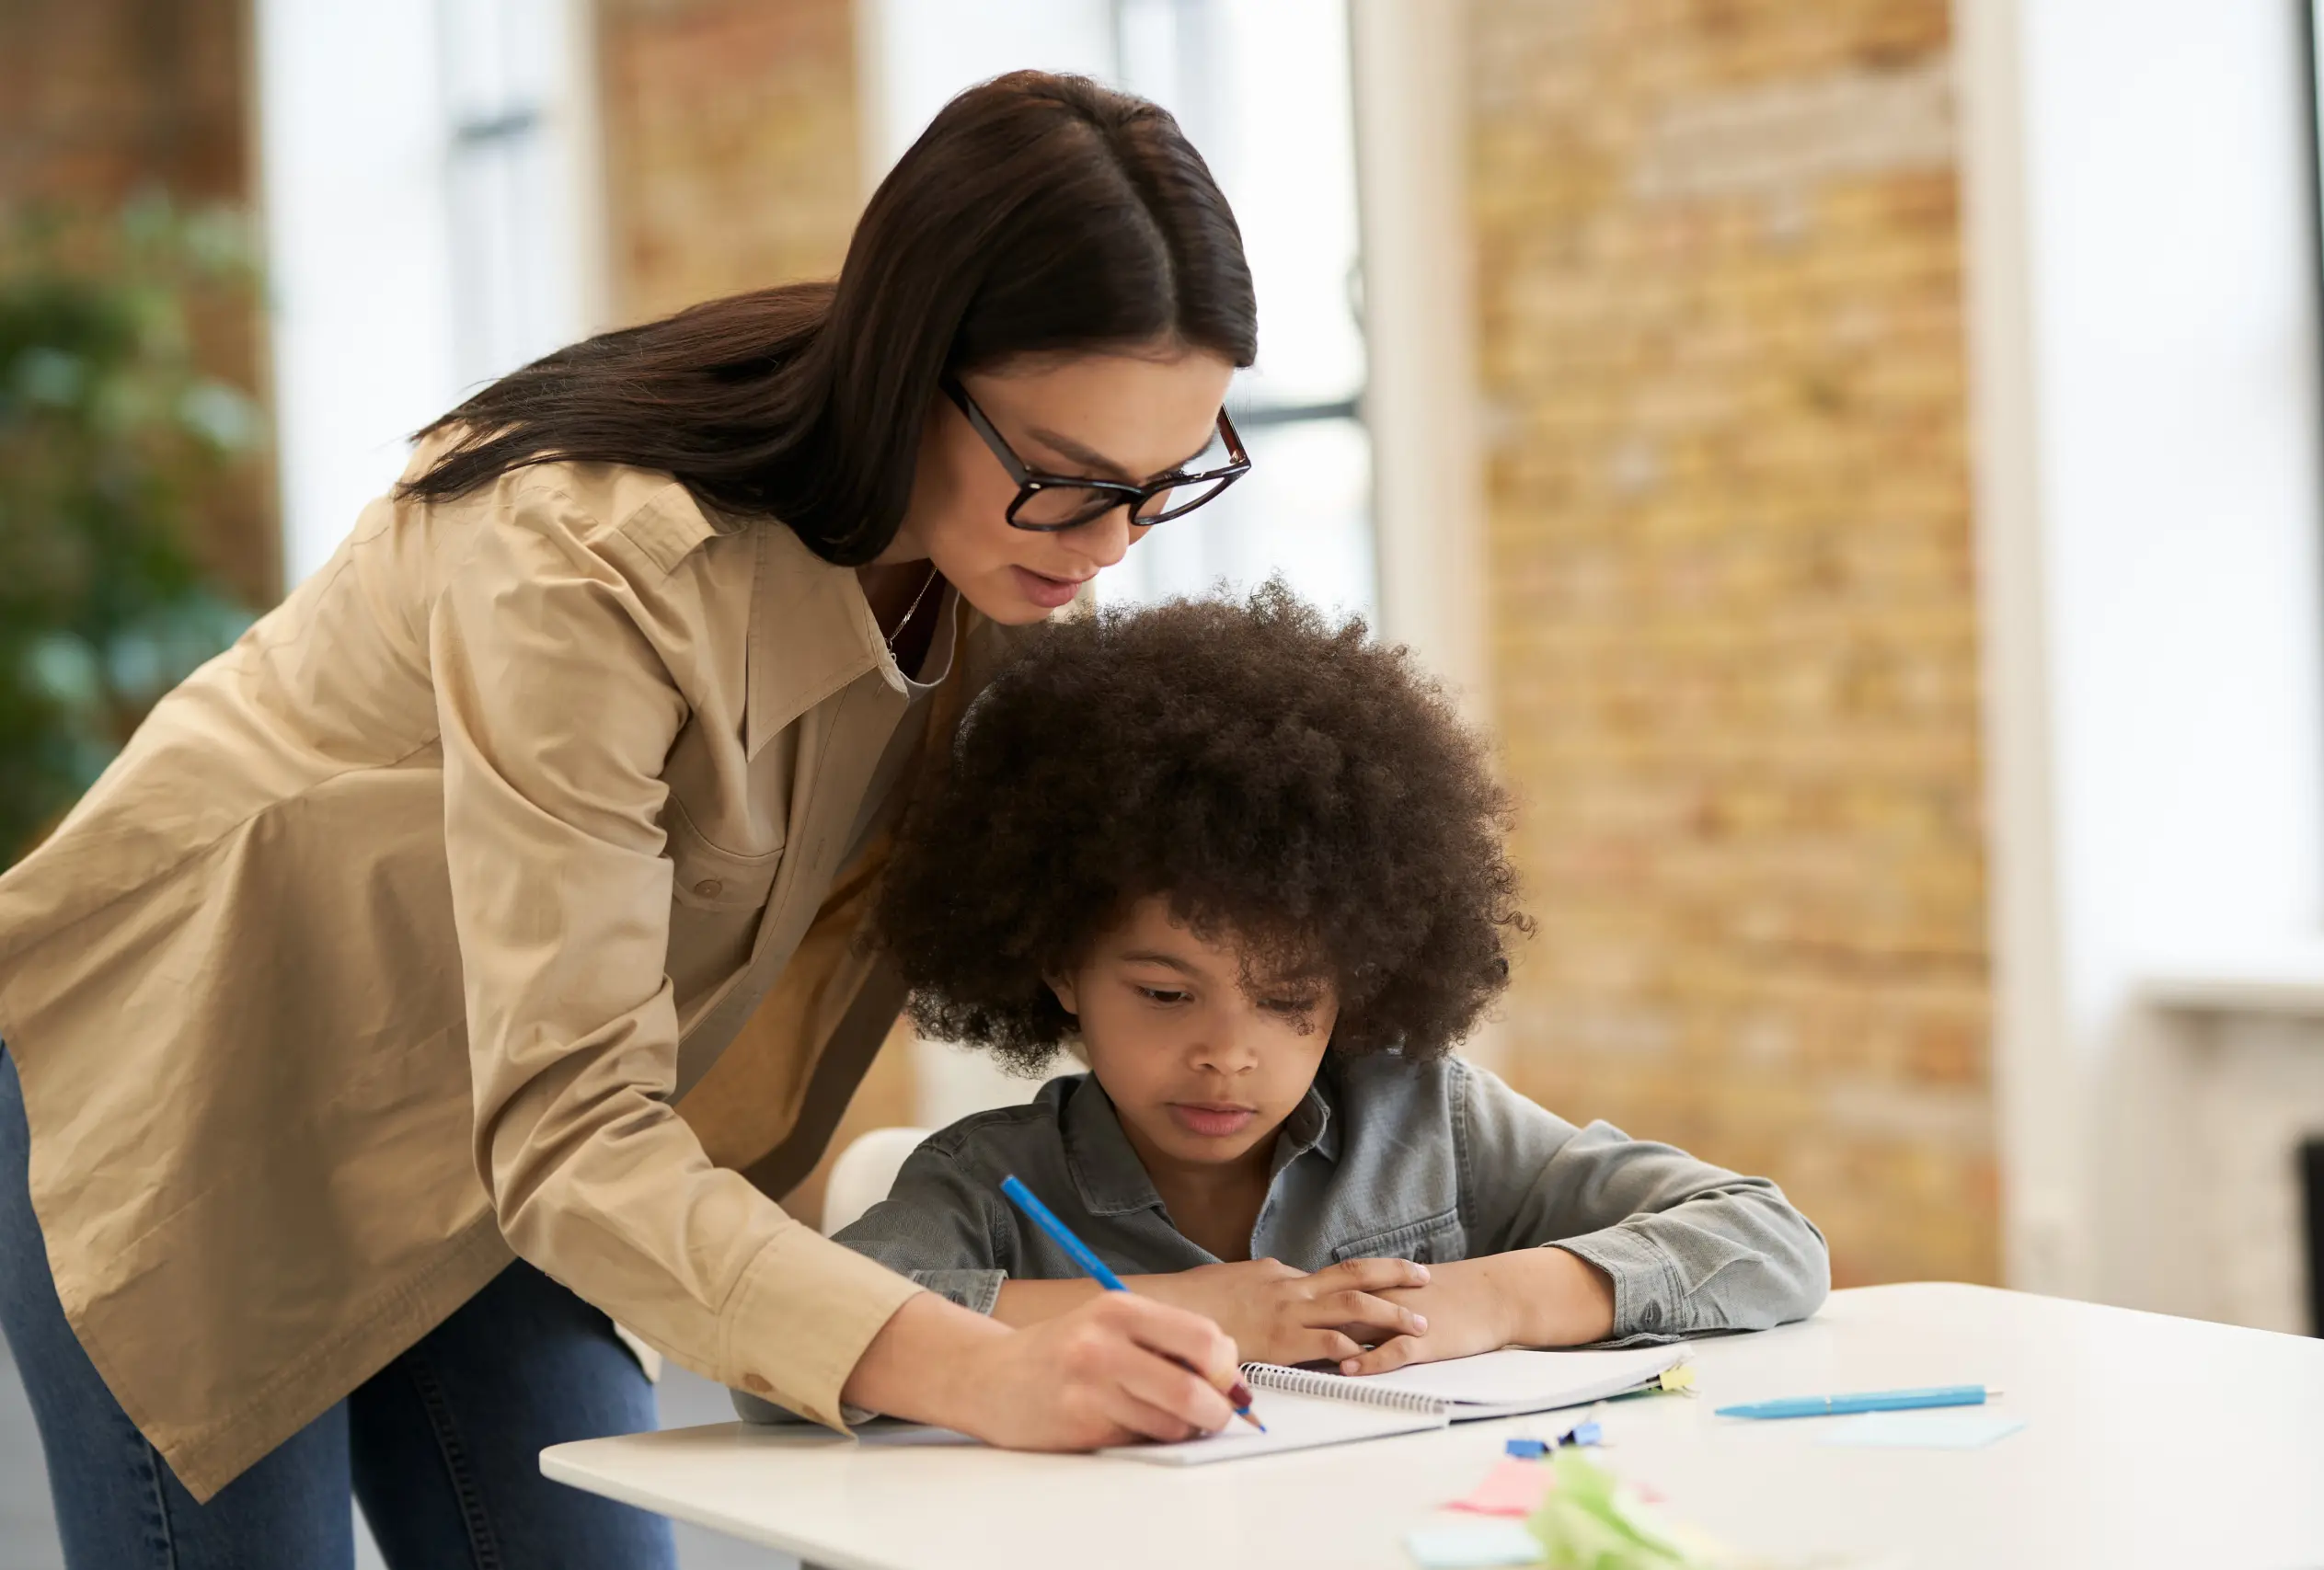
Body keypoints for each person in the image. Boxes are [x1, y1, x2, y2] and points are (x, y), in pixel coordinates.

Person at [0, 72, 1264, 1570]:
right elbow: (575, 1126)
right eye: (1067, 477)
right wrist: (986, 1368)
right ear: (914, 368)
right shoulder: (583, 563)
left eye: (1164, 482)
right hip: (207, 1070)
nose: (1112, 545)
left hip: (498, 1115)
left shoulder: (1004, 564)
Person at [758, 587, 1828, 1401]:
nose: (1228, 1055)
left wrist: (1496, 1298)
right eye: (1166, 994)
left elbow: (1768, 1241)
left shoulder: (1429, 1127)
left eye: (1286, 1002)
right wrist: (1188, 1310)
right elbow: (792, 1345)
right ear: (1059, 967)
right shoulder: (988, 1187)